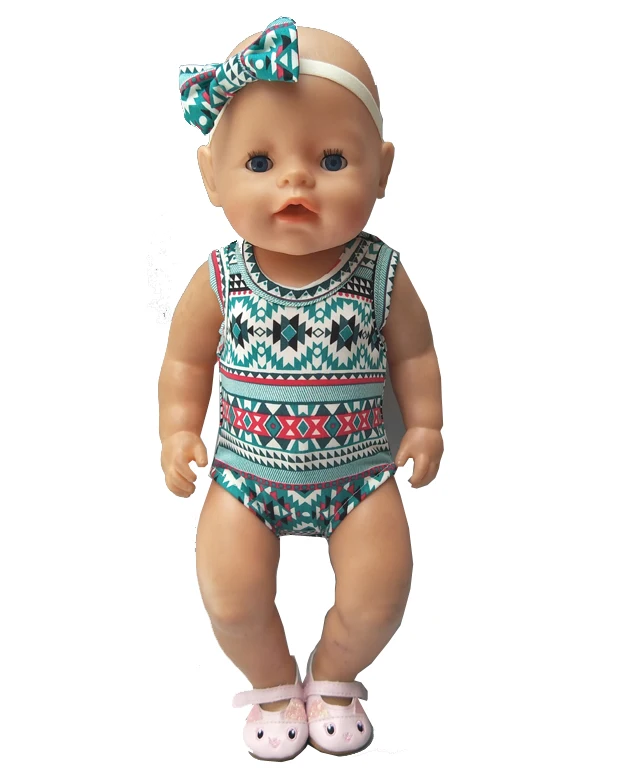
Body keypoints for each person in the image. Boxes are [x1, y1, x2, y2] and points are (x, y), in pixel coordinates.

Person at [160, 17, 444, 761]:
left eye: (331, 159)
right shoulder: (221, 278)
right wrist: (179, 429)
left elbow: (415, 354)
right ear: (211, 175)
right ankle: (272, 681)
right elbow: (185, 363)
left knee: (381, 593)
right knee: (230, 595)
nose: (296, 180)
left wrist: (426, 424)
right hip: (244, 478)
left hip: (360, 477)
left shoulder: (379, 273)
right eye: (260, 160)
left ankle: (336, 670)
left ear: (381, 171)